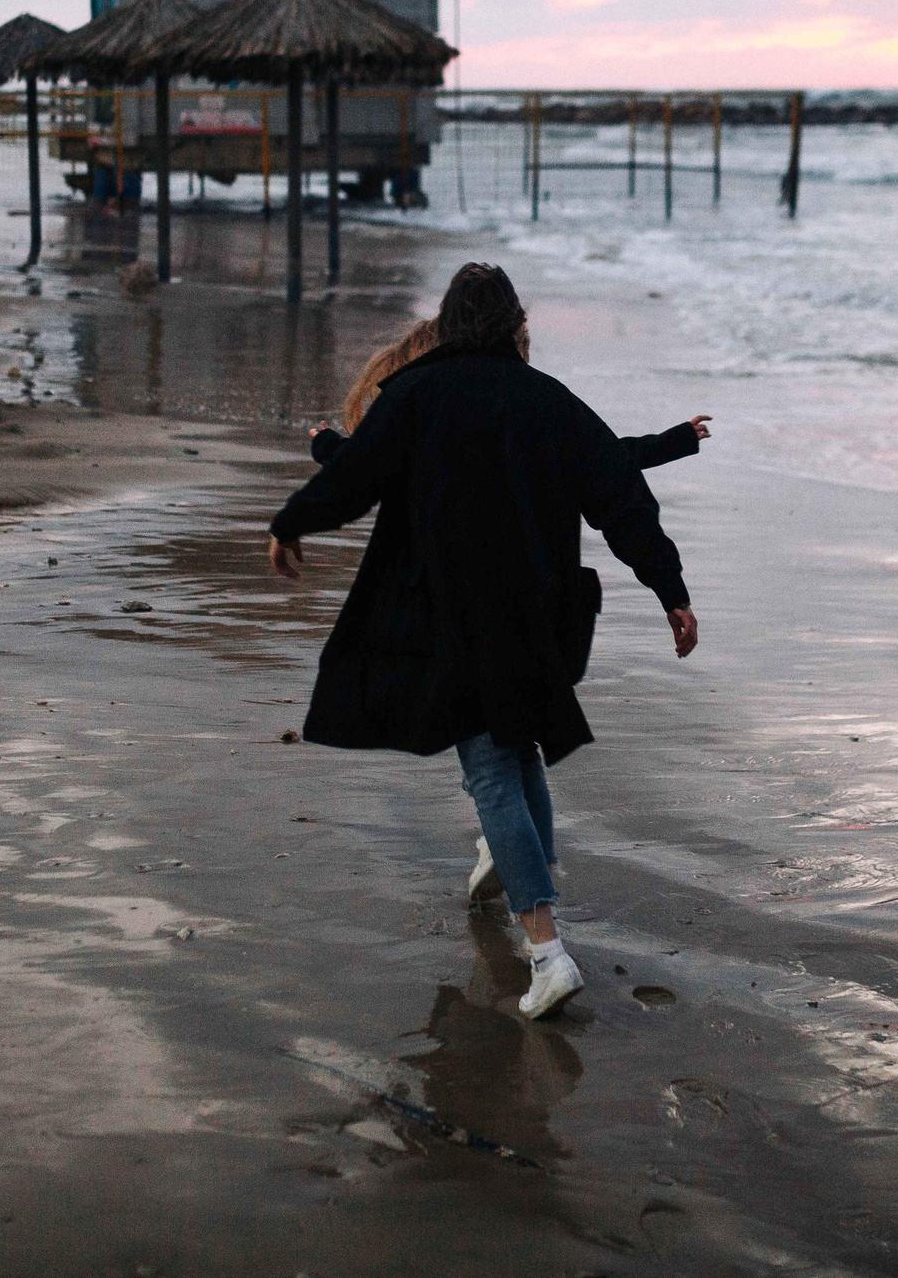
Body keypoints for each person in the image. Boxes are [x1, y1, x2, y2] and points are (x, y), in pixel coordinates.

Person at [267, 263, 698, 1021]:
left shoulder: (417, 394)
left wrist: (291, 522)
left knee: (491, 770)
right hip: (540, 610)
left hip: (455, 611)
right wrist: (672, 592)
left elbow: (357, 476)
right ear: (514, 323)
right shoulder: (549, 400)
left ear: (448, 322)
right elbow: (619, 493)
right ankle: (516, 870)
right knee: (517, 749)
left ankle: (548, 951)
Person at [309, 315, 711, 471]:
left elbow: (362, 462)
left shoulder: (428, 423)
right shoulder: (527, 417)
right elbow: (603, 459)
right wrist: (673, 441)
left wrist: (325, 444)